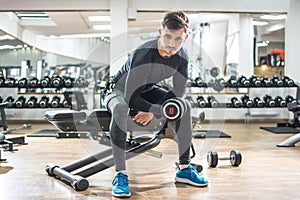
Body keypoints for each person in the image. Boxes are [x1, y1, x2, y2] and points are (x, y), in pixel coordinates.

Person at [104, 10, 209, 198]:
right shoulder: (143, 54)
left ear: (185, 38)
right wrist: (155, 109)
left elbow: (177, 95)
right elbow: (130, 98)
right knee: (120, 108)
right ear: (160, 32)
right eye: (168, 36)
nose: (171, 43)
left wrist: (154, 112)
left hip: (146, 90)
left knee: (184, 106)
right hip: (117, 91)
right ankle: (120, 174)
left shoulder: (182, 58)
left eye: (177, 39)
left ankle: (184, 169)